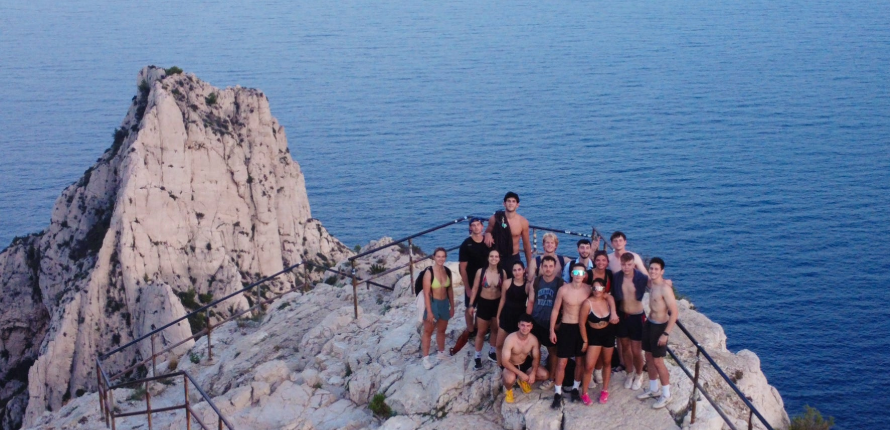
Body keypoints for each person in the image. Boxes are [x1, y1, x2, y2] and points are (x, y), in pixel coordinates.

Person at [636, 257, 678, 409]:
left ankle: (666, 394)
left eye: (656, 269)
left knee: (658, 361)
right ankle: (654, 389)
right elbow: (639, 269)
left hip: (660, 327)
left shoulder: (664, 288)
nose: (653, 271)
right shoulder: (652, 283)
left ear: (662, 271)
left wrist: (665, 334)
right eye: (651, 268)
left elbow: (674, 313)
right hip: (649, 323)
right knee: (648, 356)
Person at [548, 263, 591, 408]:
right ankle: (558, 393)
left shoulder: (588, 289)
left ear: (584, 275)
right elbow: (555, 310)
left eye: (581, 273)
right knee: (562, 363)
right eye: (576, 273)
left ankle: (574, 389)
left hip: (582, 329)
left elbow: (601, 300)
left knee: (580, 362)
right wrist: (552, 330)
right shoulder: (563, 290)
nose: (578, 276)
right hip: (566, 327)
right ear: (571, 274)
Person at [453, 217, 493, 355]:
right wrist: (468, 287)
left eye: (478, 225)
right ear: (470, 228)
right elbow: (462, 268)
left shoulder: (488, 242)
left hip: (486, 281)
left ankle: (482, 328)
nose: (476, 227)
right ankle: (471, 330)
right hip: (471, 280)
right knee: (470, 306)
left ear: (482, 227)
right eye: (473, 225)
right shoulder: (466, 244)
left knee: (483, 307)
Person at [579, 279, 619, 405]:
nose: (597, 290)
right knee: (589, 366)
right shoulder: (587, 303)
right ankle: (584, 393)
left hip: (608, 334)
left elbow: (611, 299)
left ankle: (605, 390)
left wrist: (614, 315)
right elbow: (582, 323)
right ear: (592, 289)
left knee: (607, 363)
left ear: (604, 289)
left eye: (600, 288)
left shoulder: (608, 300)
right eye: (595, 288)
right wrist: (585, 340)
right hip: (594, 336)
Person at [612, 252, 649, 389]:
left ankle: (639, 374)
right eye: (623, 264)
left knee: (636, 350)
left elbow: (654, 283)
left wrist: (666, 282)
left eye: (629, 264)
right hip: (622, 315)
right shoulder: (617, 277)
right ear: (620, 264)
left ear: (633, 264)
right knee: (625, 348)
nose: (626, 267)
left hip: (637, 316)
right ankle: (629, 372)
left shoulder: (641, 278)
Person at [529, 255, 565, 389]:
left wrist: (559, 323)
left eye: (551, 266)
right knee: (535, 349)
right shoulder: (537, 281)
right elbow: (532, 301)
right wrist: (528, 320)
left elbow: (564, 305)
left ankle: (551, 378)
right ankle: (536, 371)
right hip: (537, 320)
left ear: (555, 267)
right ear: (541, 267)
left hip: (551, 323)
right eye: (545, 266)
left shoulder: (560, 283)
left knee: (553, 351)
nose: (548, 269)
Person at [469, 249, 506, 369]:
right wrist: (471, 305)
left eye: (496, 256)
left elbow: (505, 292)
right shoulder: (481, 272)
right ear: (488, 258)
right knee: (481, 332)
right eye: (491, 256)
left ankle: (492, 352)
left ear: (499, 259)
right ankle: (477, 357)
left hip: (497, 304)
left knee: (495, 329)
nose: (494, 258)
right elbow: (474, 289)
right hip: (483, 304)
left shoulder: (502, 273)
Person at [484, 192, 533, 280]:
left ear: (517, 205)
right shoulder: (495, 218)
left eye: (513, 201)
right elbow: (487, 232)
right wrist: (487, 234)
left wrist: (529, 265)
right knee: (496, 283)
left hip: (513, 258)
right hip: (498, 257)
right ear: (504, 203)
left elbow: (526, 245)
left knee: (514, 283)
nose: (511, 203)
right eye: (508, 201)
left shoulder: (523, 222)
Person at [502, 314, 550, 403]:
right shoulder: (510, 339)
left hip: (524, 362)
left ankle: (522, 381)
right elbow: (504, 362)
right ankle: (508, 390)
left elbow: (536, 358)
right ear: (518, 325)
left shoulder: (533, 339)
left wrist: (533, 373)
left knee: (545, 375)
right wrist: (520, 374)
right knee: (509, 380)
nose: (525, 328)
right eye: (523, 325)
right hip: (511, 364)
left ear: (531, 326)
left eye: (528, 326)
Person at [421, 248, 455, 370]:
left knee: (442, 329)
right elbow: (426, 293)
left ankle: (441, 353)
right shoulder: (429, 272)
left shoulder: (447, 271)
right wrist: (429, 311)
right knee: (428, 331)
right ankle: (425, 358)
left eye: (443, 256)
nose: (441, 259)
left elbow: (450, 289)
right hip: (433, 303)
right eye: (438, 256)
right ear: (434, 257)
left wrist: (452, 306)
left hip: (444, 303)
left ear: (445, 257)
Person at [496, 261, 534, 367]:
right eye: (514, 270)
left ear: (523, 270)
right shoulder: (507, 283)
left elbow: (531, 303)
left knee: (516, 347)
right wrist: (498, 316)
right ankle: (500, 367)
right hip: (506, 316)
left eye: (519, 269)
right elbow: (502, 300)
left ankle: (514, 367)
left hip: (519, 320)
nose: (517, 272)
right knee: (499, 344)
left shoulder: (528, 286)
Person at [590, 250, 615, 382]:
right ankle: (588, 371)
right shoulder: (589, 274)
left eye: (603, 260)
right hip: (590, 311)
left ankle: (598, 370)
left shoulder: (609, 274)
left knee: (602, 344)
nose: (601, 263)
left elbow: (611, 294)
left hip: (604, 311)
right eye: (598, 260)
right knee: (590, 345)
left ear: (607, 262)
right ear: (594, 261)